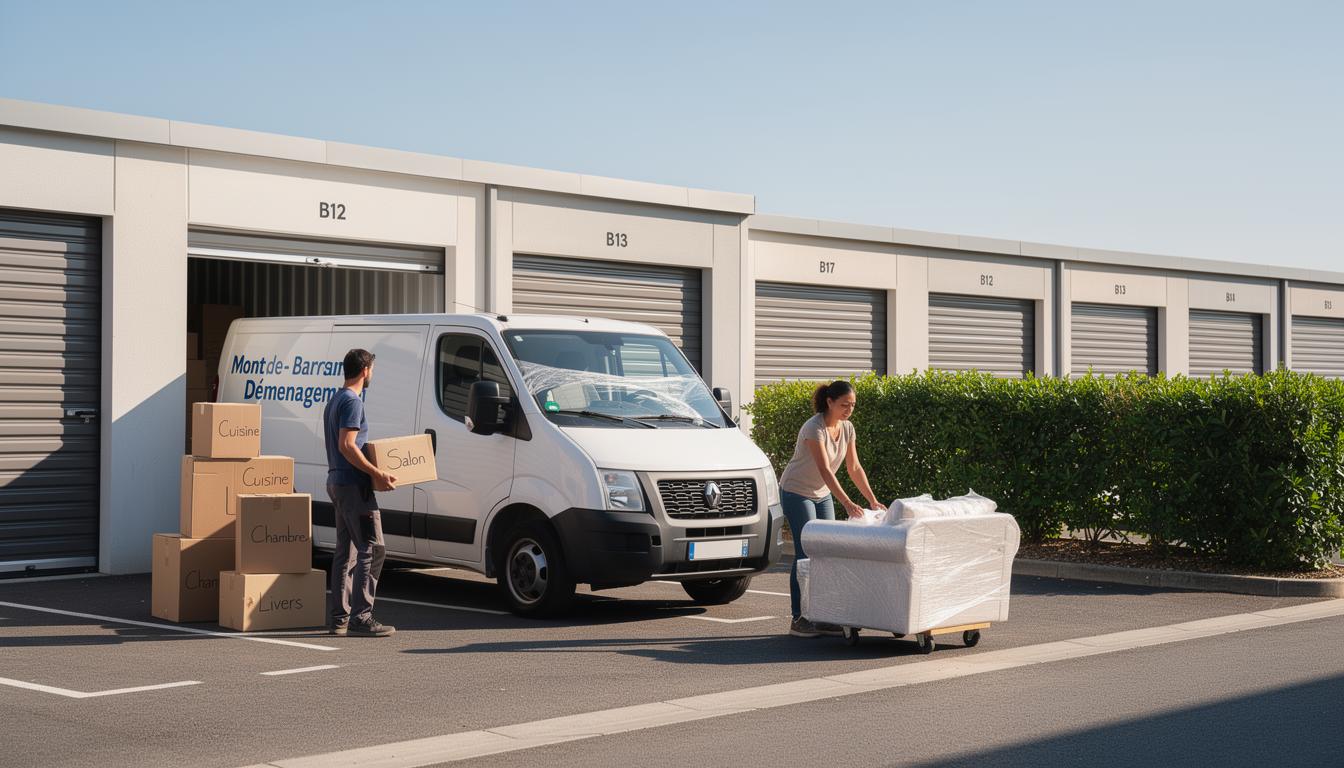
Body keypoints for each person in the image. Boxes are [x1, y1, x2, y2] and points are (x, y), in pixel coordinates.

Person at [778, 379, 883, 638]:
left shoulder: (848, 428)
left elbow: (854, 467)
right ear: (830, 402)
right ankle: (798, 618)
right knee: (806, 553)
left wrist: (871, 500)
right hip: (796, 491)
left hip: (822, 494)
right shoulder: (814, 428)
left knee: (828, 553)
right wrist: (847, 503)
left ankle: (822, 616)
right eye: (844, 405)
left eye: (853, 405)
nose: (849, 410)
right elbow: (825, 470)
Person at [324, 348, 398, 637]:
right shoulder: (352, 401)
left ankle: (339, 618)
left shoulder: (335, 400)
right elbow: (347, 445)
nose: (372, 375)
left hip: (337, 482)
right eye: (372, 370)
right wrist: (376, 473)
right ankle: (361, 617)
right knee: (373, 548)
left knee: (346, 552)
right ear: (365, 370)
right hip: (354, 486)